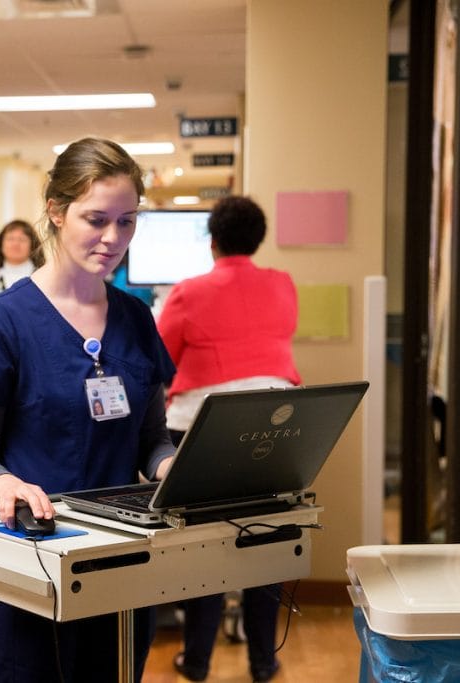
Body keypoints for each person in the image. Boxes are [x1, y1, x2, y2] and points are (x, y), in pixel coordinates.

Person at [0, 138, 176, 682]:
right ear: (54, 211)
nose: (113, 238)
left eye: (127, 221)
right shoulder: (4, 321)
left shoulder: (136, 319)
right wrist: (3, 485)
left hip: (124, 561)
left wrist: (176, 470)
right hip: (34, 555)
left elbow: (152, 439)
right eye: (96, 218)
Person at [155, 195, 301, 683]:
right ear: (258, 240)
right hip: (278, 421)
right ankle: (263, 661)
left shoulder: (188, 291)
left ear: (212, 241)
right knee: (264, 541)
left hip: (201, 424)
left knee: (206, 545)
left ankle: (196, 660)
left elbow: (161, 359)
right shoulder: (282, 286)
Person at [0, 219, 44, 290]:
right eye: (10, 239)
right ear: (0, 245)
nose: (15, 244)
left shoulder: (43, 278)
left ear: (33, 246)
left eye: (22, 239)